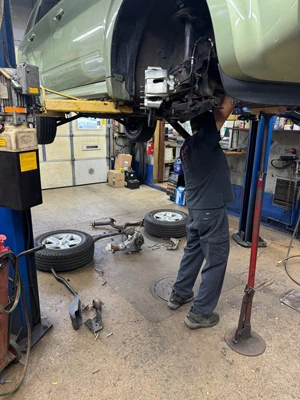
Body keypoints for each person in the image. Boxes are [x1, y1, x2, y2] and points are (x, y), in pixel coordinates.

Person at [168, 94, 235, 329]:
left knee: (193, 253)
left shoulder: (186, 147)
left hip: (196, 211)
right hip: (210, 213)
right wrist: (231, 86)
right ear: (206, 126)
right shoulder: (205, 140)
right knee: (216, 261)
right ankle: (199, 314)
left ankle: (179, 294)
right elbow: (225, 110)